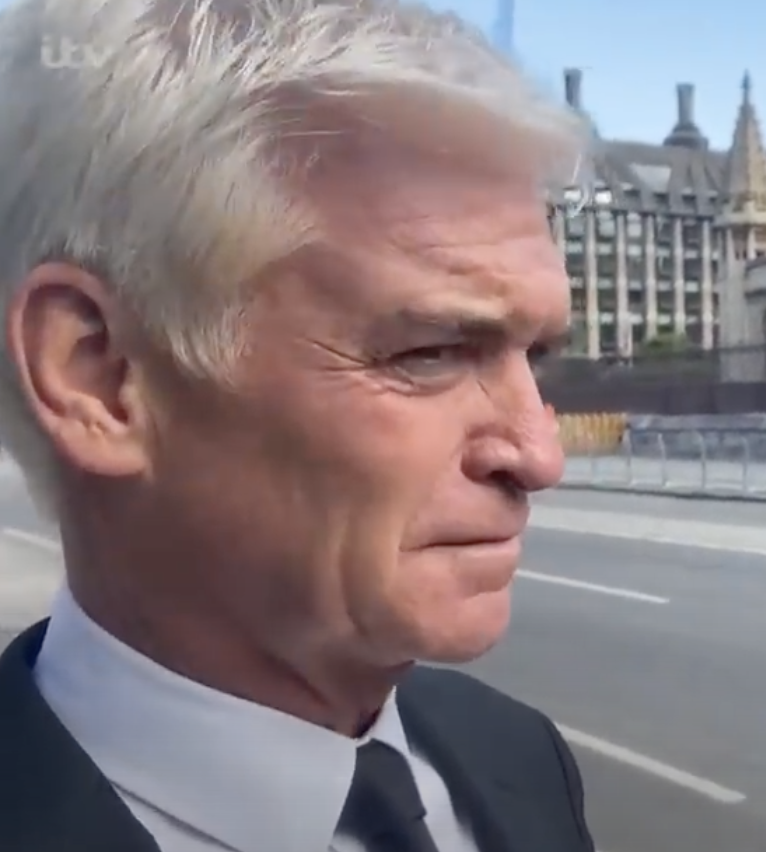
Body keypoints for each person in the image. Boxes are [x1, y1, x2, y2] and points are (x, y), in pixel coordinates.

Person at [0, 1, 595, 850]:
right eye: (430, 352)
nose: (539, 455)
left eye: (537, 359)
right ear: (99, 377)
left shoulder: (518, 755)